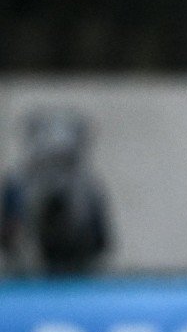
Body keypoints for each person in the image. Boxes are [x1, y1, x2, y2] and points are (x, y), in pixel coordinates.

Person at [0, 109, 111, 275]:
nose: (54, 174)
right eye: (46, 163)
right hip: (27, 277)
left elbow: (100, 242)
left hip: (76, 273)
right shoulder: (18, 186)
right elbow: (8, 240)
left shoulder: (87, 188)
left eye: (62, 161)